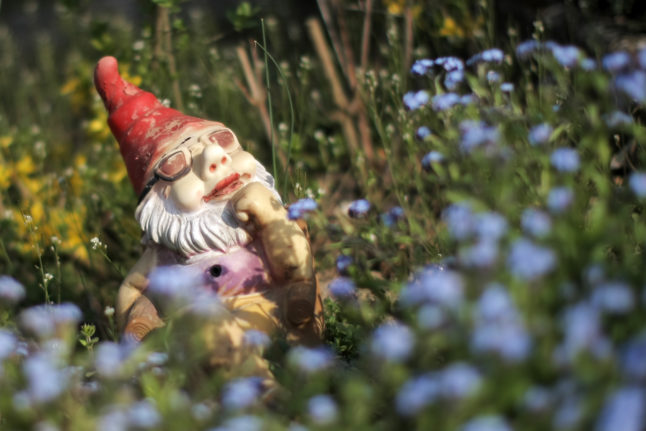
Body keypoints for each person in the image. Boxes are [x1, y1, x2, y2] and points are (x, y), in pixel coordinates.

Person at [93, 57, 323, 360]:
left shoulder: (258, 222)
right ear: (156, 202)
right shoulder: (162, 255)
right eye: (179, 164)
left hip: (269, 314)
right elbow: (132, 292)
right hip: (194, 337)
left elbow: (294, 264)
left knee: (215, 333)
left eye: (221, 139)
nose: (215, 157)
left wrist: (265, 209)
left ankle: (269, 392)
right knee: (200, 335)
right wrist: (140, 319)